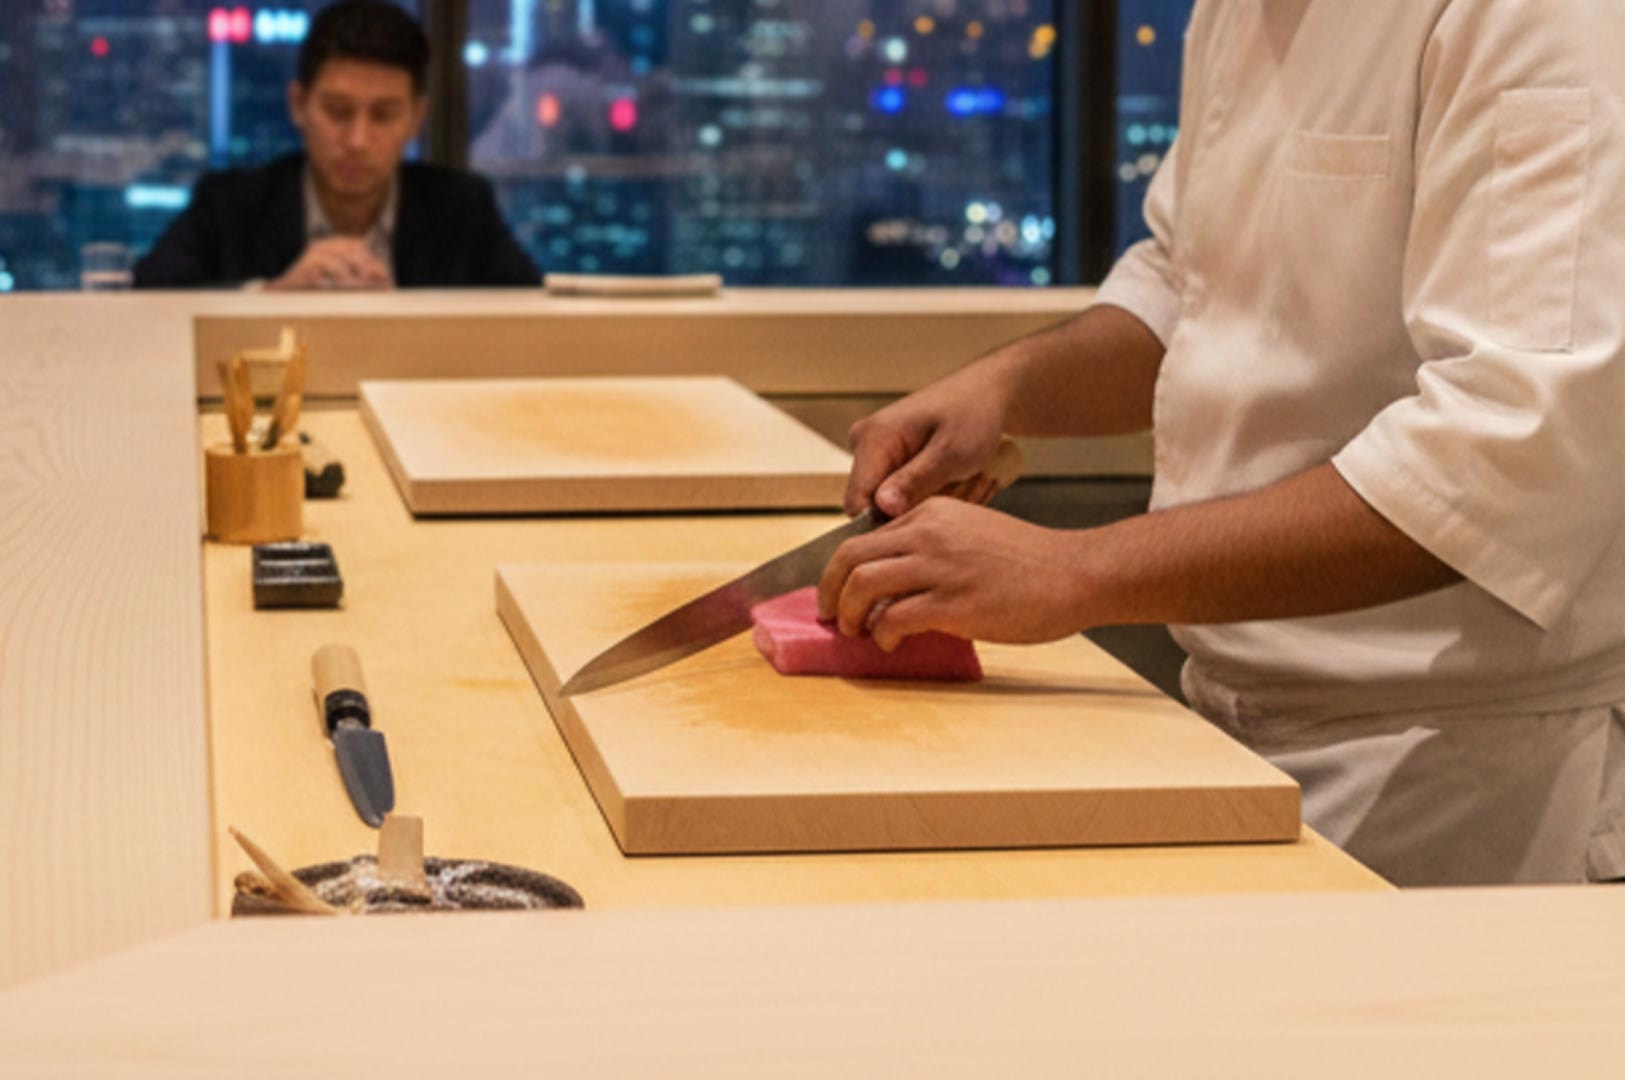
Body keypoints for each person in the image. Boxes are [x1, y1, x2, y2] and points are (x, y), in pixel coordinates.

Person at [817, 0, 1625, 887]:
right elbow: (1186, 286)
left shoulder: (1540, 17)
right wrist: (1002, 389)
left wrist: (1072, 571)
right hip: (1229, 721)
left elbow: (1507, 455)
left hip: (1468, 766)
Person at [134, 0, 538, 289]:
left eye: (383, 115)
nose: (358, 141)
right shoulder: (230, 204)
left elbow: (531, 315)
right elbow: (147, 301)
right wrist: (270, 297)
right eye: (338, 111)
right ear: (298, 105)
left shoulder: (462, 207)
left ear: (416, 119)